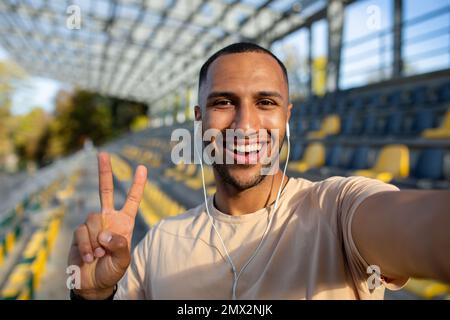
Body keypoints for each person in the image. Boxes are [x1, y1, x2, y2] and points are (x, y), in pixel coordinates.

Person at [68, 42, 450, 300]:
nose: (245, 124)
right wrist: (90, 295)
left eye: (265, 102)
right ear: (199, 120)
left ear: (287, 116)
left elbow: (424, 228)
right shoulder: (159, 244)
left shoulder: (338, 210)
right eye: (223, 102)